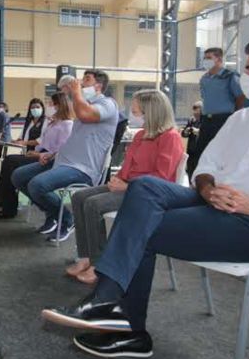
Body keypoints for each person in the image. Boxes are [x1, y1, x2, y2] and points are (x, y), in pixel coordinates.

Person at [42, 32, 249, 359]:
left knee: (141, 226)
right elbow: (205, 167)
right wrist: (209, 189)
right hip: (211, 204)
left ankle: (117, 313)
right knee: (144, 188)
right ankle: (114, 312)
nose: (244, 78)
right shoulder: (242, 119)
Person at [65, 90, 184, 283]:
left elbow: (161, 178)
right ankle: (85, 257)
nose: (132, 114)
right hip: (128, 186)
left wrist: (127, 186)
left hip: (148, 193)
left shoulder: (170, 137)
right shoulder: (141, 136)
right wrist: (117, 179)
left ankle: (99, 264)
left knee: (93, 204)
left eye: (136, 111)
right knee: (79, 197)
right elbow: (128, 167)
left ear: (150, 111)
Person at [12, 70, 119, 239]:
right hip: (61, 160)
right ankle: (54, 215)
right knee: (19, 176)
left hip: (83, 168)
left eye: (87, 79)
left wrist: (75, 92)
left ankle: (67, 220)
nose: (82, 83)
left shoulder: (108, 104)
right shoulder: (82, 104)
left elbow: (86, 114)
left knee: (37, 185)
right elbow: (74, 141)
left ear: (98, 86)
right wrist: (53, 154)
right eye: (82, 79)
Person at [0, 93, 74, 219]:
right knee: (11, 165)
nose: (48, 107)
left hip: (50, 160)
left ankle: (8, 205)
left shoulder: (67, 125)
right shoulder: (53, 123)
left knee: (11, 163)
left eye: (50, 104)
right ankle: (6, 203)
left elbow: (60, 151)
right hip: (40, 155)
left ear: (59, 105)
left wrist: (38, 154)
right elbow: (44, 142)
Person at [190, 47, 244, 172]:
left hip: (224, 119)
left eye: (209, 58)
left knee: (222, 152)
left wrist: (235, 114)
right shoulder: (204, 78)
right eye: (204, 58)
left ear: (219, 59)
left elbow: (240, 96)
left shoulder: (230, 76)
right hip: (207, 120)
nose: (205, 61)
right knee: (200, 152)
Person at [181, 101, 202, 178]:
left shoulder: (206, 121)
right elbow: (183, 134)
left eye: (197, 114)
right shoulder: (191, 120)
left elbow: (206, 133)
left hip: (200, 153)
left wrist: (197, 131)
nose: (195, 115)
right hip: (191, 152)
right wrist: (186, 131)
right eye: (194, 113)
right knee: (190, 173)